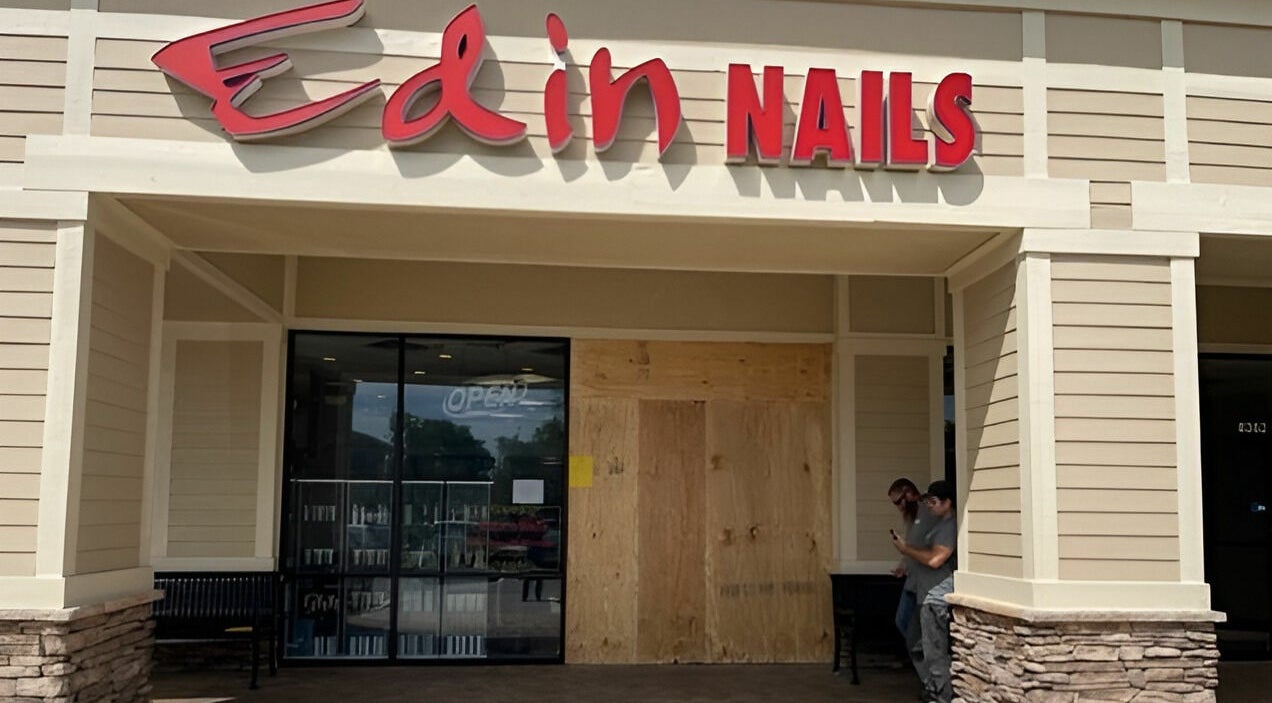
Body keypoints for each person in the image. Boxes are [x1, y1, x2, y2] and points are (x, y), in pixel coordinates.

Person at [891, 480, 957, 703]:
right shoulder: (937, 523)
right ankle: (932, 687)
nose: (929, 505)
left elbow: (936, 559)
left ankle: (941, 696)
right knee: (916, 641)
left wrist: (905, 549)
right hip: (923, 592)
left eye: (934, 501)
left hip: (937, 596)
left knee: (935, 651)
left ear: (947, 503)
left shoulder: (950, 527)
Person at [886, 478, 929, 648]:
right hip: (912, 579)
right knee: (903, 621)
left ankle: (925, 659)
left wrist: (906, 551)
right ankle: (922, 657)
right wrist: (902, 566)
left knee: (912, 623)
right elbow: (911, 547)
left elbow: (924, 548)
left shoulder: (926, 512)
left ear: (909, 493)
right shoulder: (911, 517)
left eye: (898, 501)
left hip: (925, 580)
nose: (899, 507)